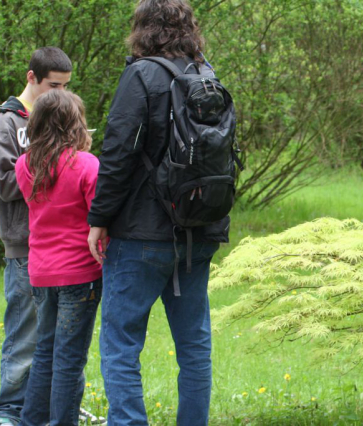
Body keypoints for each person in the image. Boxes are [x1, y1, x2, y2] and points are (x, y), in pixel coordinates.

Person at [87, 1, 230, 424]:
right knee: (194, 346)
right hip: (198, 228)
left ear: (142, 28)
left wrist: (98, 220)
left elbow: (117, 155)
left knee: (121, 342)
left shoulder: (141, 74)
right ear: (189, 28)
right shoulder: (207, 74)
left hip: (140, 235)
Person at [0, 46, 71, 426]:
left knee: (54, 338)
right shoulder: (5, 124)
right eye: (54, 86)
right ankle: (8, 412)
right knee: (24, 336)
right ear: (31, 77)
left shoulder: (56, 119)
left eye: (67, 88)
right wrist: (57, 169)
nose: (61, 96)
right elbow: (6, 184)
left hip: (60, 246)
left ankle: (42, 410)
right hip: (23, 246)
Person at [15, 89, 103, 426]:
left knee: (44, 353)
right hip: (80, 273)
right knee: (69, 360)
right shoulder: (86, 164)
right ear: (75, 124)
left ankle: (31, 421)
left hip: (40, 271)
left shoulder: (25, 165)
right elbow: (100, 217)